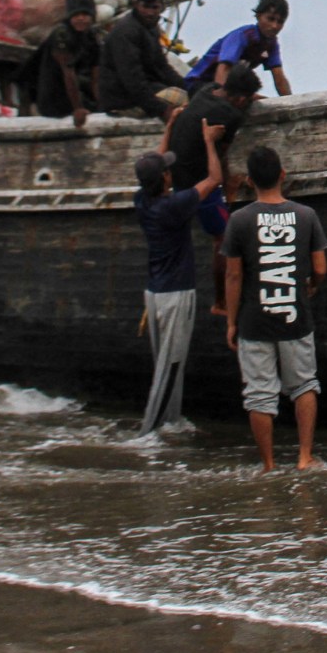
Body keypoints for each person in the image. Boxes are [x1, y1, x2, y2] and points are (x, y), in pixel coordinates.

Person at [222, 146, 327, 472]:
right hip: (295, 316)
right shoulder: (306, 215)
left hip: (255, 321)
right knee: (304, 385)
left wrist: (231, 322)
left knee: (259, 395)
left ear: (249, 180)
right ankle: (304, 456)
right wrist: (311, 286)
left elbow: (233, 274)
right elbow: (321, 268)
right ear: (283, 175)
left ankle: (268, 465)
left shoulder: (239, 220)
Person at [133, 117, 228, 434]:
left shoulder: (142, 200)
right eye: (167, 171)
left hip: (155, 294)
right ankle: (150, 434)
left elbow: (155, 167)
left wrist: (169, 127)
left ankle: (170, 422)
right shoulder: (175, 205)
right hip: (176, 295)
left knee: (165, 361)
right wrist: (209, 142)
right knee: (170, 367)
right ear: (164, 179)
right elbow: (214, 178)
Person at [167, 63, 264, 306]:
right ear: (240, 99)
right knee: (224, 237)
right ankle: (220, 301)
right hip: (196, 181)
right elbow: (223, 151)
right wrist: (226, 186)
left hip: (173, 172)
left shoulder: (207, 90)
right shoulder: (229, 114)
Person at [97, 0, 189, 122]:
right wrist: (161, 109)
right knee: (183, 105)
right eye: (145, 7)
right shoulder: (126, 32)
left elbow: (162, 67)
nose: (150, 12)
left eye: (155, 7)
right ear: (136, 4)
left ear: (161, 8)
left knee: (190, 97)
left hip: (144, 91)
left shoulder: (150, 29)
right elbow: (132, 80)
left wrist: (190, 86)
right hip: (122, 100)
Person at [185, 0, 293, 96]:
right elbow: (224, 68)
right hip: (199, 83)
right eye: (270, 19)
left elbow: (279, 76)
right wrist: (220, 98)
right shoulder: (243, 35)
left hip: (228, 88)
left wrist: (291, 103)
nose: (274, 26)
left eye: (280, 22)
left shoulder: (271, 44)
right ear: (259, 16)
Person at [34, 0, 101, 126]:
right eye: (76, 15)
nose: (81, 18)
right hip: (55, 96)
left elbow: (96, 75)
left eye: (85, 14)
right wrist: (77, 109)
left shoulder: (92, 36)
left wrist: (101, 104)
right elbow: (68, 74)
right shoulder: (62, 34)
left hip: (78, 91)